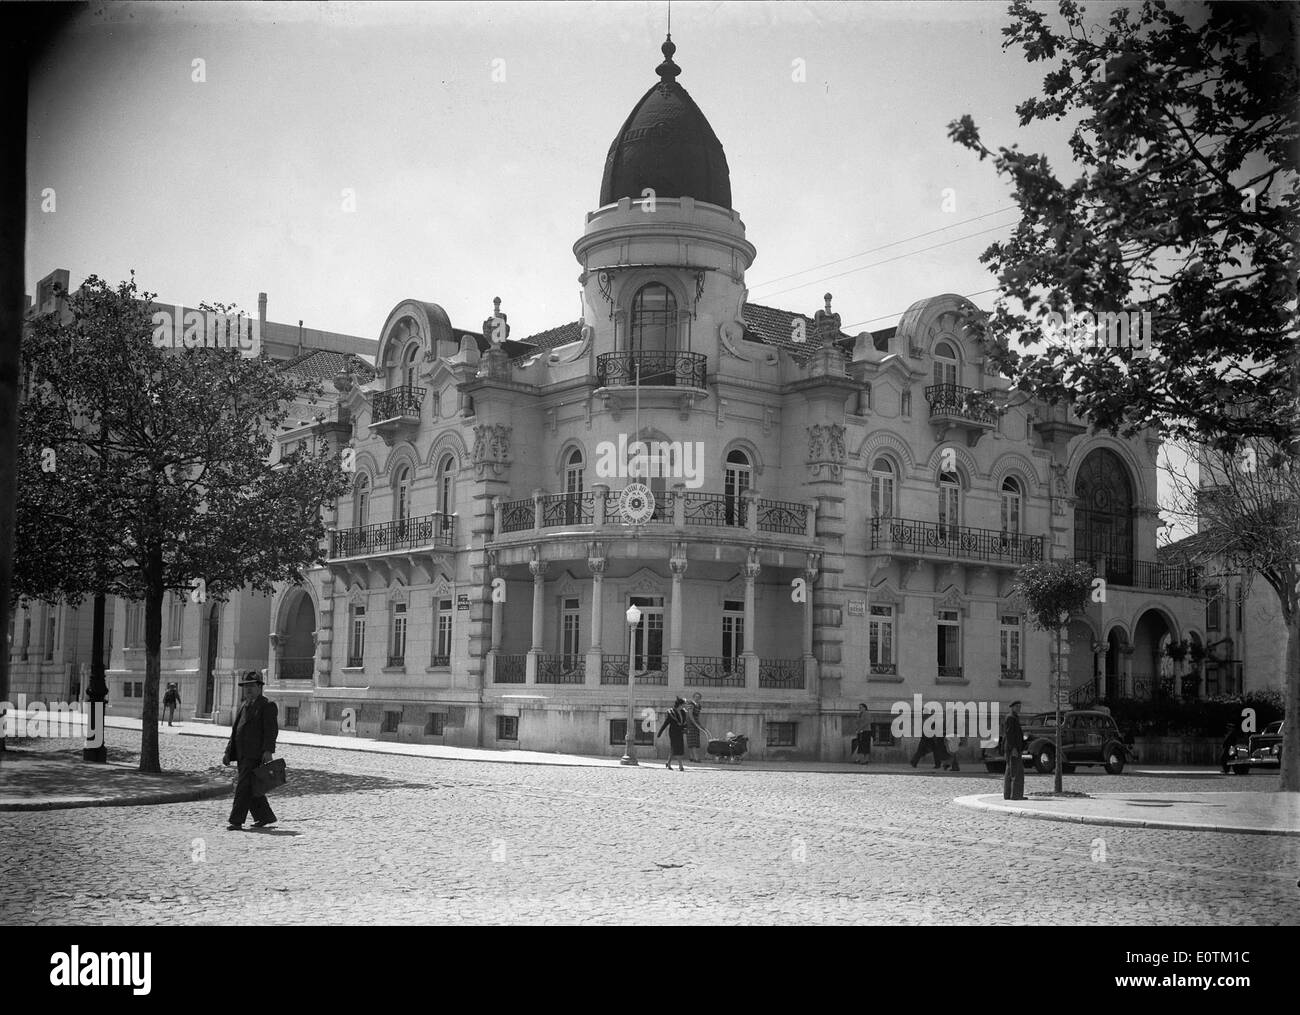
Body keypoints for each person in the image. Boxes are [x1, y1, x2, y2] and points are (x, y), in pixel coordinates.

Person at [222, 671, 279, 830]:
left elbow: (271, 731)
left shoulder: (266, 706)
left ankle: (236, 820)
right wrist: (228, 752)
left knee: (243, 787)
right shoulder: (244, 706)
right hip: (241, 754)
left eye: (252, 686)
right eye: (246, 686)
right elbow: (235, 731)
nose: (248, 689)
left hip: (255, 755)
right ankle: (265, 817)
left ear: (259, 687)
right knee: (252, 787)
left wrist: (268, 751)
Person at [657, 697, 688, 772]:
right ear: (680, 704)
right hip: (673, 732)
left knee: (674, 748)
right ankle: (681, 766)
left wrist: (686, 729)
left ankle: (668, 763)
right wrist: (660, 732)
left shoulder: (683, 712)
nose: (685, 705)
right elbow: (666, 723)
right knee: (677, 748)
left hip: (680, 732)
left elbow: (684, 722)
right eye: (684, 704)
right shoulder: (671, 712)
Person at [1003, 700, 1025, 800]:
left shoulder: (1014, 717)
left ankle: (1008, 794)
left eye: (1020, 706)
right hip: (1013, 748)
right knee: (1017, 772)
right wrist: (1014, 749)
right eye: (1017, 706)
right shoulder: (1011, 718)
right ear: (1012, 707)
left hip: (1013, 748)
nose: (1019, 708)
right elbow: (1010, 734)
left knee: (1010, 771)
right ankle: (1016, 795)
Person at [684, 692, 705, 763]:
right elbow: (690, 715)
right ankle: (695, 758)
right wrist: (696, 724)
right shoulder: (691, 704)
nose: (697, 698)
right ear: (693, 697)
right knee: (692, 742)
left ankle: (692, 757)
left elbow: (697, 716)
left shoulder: (698, 706)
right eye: (696, 697)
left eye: (699, 697)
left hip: (695, 724)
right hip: (690, 724)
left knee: (694, 741)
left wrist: (700, 725)